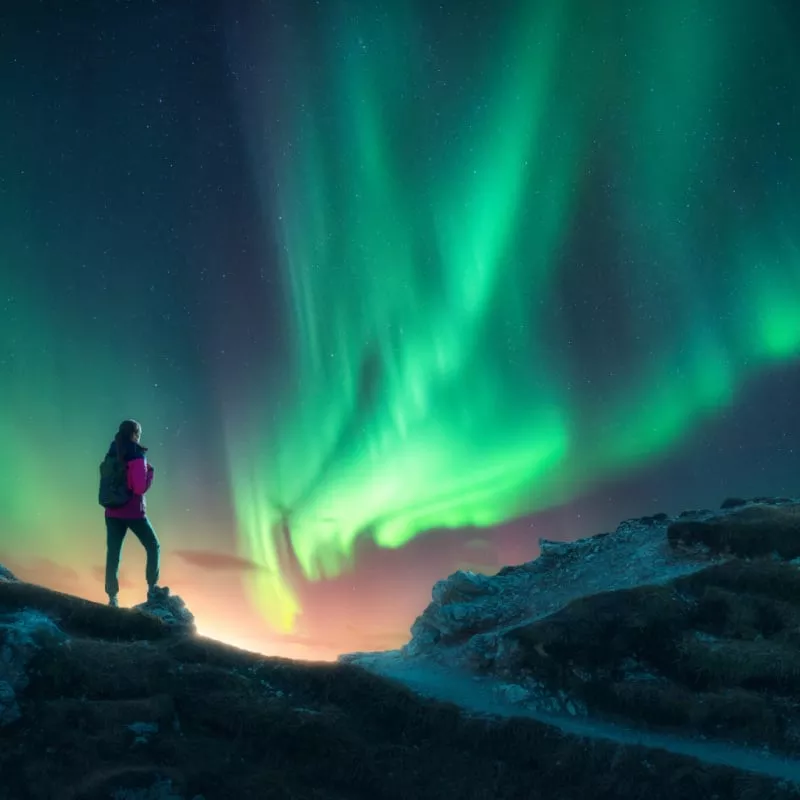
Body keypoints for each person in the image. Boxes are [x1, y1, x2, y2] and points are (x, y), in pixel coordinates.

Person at [100, 419, 162, 608]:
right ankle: (152, 589)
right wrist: (150, 472)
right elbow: (139, 488)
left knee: (113, 554)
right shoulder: (137, 454)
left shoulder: (112, 451)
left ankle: (112, 598)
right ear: (135, 434)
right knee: (153, 546)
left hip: (112, 511)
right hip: (133, 513)